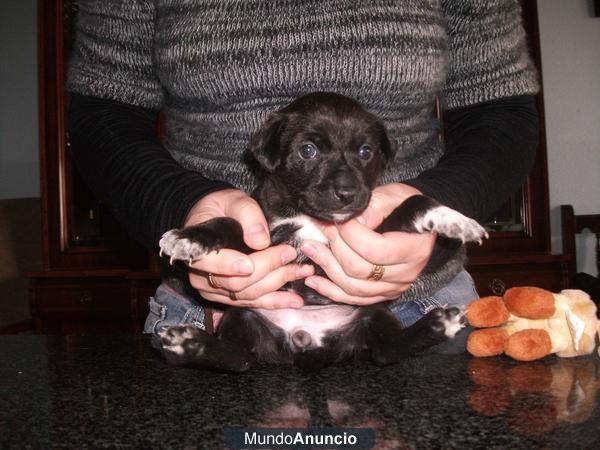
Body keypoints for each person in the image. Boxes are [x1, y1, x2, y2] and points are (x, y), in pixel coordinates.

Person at [67, 0, 539, 352]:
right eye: (310, 150)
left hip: (417, 304)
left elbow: (501, 111)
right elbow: (103, 112)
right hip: (217, 310)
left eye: (364, 151)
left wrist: (430, 206)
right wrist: (184, 209)